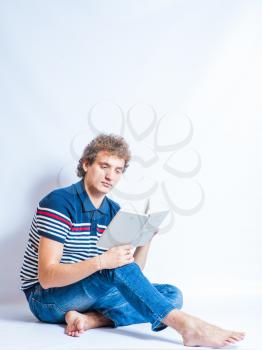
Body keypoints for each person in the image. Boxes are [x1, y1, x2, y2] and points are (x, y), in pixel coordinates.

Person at [20, 133, 245, 347]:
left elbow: (130, 275)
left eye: (118, 170)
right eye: (104, 166)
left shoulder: (113, 210)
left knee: (171, 294)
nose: (110, 176)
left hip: (89, 293)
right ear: (87, 165)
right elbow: (47, 277)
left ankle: (90, 320)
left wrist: (145, 239)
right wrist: (102, 262)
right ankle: (187, 327)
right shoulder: (59, 202)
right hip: (47, 298)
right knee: (116, 269)